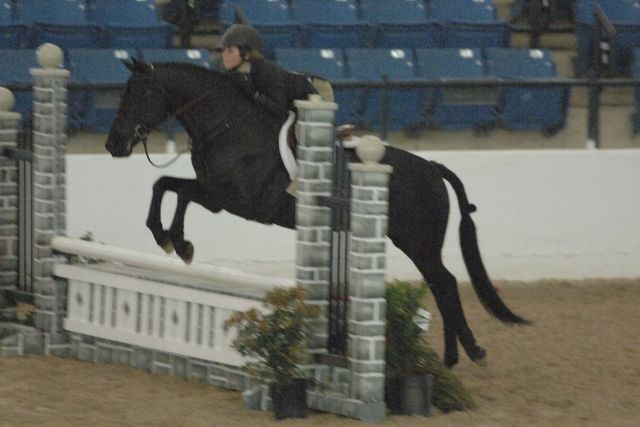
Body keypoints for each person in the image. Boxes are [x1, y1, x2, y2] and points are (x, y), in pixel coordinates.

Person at [218, 24, 320, 124]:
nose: (223, 55)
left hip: (308, 107)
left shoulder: (269, 72)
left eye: (230, 51)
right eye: (223, 50)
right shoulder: (228, 74)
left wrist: (254, 95)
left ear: (247, 54)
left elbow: (278, 111)